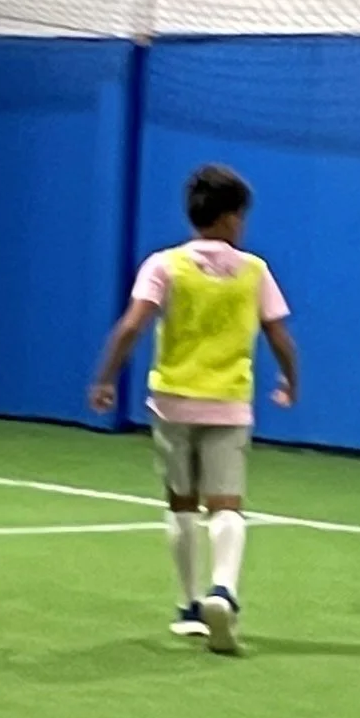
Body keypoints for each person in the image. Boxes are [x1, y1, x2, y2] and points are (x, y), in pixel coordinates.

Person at [88, 163, 297, 654]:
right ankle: (222, 588)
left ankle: (188, 606)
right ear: (229, 218)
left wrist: (105, 378)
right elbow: (279, 336)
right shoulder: (254, 270)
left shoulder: (165, 265)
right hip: (228, 403)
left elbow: (132, 326)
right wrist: (290, 378)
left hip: (173, 402)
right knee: (227, 504)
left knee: (181, 503)